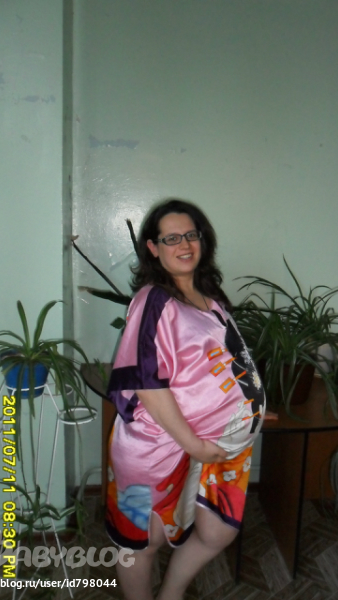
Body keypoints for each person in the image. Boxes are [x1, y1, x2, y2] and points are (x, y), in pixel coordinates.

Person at [105, 199, 277, 600]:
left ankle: (172, 594)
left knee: (218, 530)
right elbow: (146, 382)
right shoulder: (153, 300)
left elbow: (223, 363)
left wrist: (252, 406)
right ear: (153, 248)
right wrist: (194, 444)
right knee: (142, 541)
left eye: (191, 235)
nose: (184, 244)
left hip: (217, 444)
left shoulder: (209, 297)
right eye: (171, 238)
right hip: (158, 446)